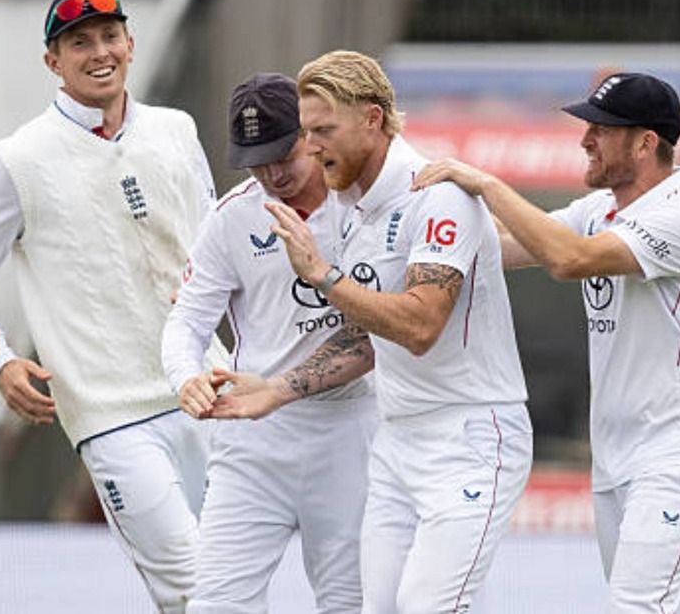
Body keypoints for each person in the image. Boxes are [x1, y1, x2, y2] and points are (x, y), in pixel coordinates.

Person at [202, 51, 533, 613]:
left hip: (473, 435)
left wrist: (323, 275)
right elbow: (365, 338)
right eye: (306, 133)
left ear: (372, 119)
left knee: (427, 608)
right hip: (397, 442)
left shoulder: (437, 193)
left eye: (323, 131)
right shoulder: (353, 209)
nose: (309, 147)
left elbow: (420, 325)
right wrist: (277, 389)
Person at [414, 72, 680, 613]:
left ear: (645, 143)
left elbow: (569, 260)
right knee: (663, 605)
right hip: (617, 456)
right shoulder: (596, 212)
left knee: (636, 606)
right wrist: (420, 234)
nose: (585, 139)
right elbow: (505, 247)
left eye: (602, 129)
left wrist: (485, 184)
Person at [0, 0, 222, 613]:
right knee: (192, 584)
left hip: (207, 390)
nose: (99, 53)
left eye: (109, 37)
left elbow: (216, 248)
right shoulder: (18, 160)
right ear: (53, 61)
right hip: (111, 414)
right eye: (79, 43)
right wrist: (0, 362)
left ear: (130, 44)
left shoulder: (176, 130)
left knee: (231, 579)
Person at [162, 73, 374, 613]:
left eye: (282, 153)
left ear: (310, 135)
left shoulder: (365, 204)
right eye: (256, 161)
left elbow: (380, 333)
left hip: (351, 430)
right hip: (253, 439)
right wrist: (185, 376)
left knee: (351, 600)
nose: (273, 173)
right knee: (215, 604)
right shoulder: (231, 218)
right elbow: (187, 319)